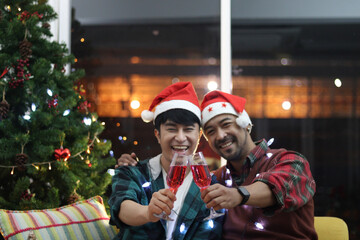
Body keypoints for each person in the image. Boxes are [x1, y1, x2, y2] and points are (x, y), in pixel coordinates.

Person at [117, 90, 318, 240]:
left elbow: (279, 186)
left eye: (226, 124)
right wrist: (131, 167)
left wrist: (238, 195)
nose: (220, 135)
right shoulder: (217, 178)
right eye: (211, 131)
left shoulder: (288, 161)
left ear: (245, 124)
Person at [108, 82, 223, 240]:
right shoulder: (133, 172)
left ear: (199, 135)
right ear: (157, 135)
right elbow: (121, 208)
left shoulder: (211, 187)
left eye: (188, 129)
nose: (181, 138)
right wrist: (148, 213)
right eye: (172, 129)